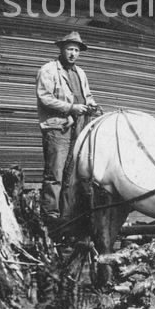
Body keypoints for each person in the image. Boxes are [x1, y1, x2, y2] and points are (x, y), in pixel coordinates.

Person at [36, 29, 99, 223]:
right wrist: (71, 107)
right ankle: (50, 216)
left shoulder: (80, 73)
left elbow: (87, 96)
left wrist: (92, 105)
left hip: (78, 128)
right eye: (70, 49)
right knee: (55, 173)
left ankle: (65, 217)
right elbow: (45, 98)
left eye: (76, 50)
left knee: (70, 175)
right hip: (57, 129)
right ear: (62, 49)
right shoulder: (48, 70)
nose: (73, 54)